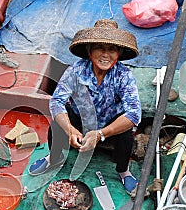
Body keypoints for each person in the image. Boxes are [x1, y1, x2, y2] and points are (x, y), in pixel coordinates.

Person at [28, 19, 141, 195]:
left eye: (112, 49)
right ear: (89, 51)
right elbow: (56, 101)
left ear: (118, 53)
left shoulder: (124, 75)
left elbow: (134, 114)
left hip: (108, 126)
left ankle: (123, 171)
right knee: (57, 125)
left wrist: (100, 134)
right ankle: (54, 158)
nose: (106, 55)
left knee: (126, 134)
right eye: (100, 48)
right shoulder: (76, 71)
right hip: (79, 120)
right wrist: (71, 130)